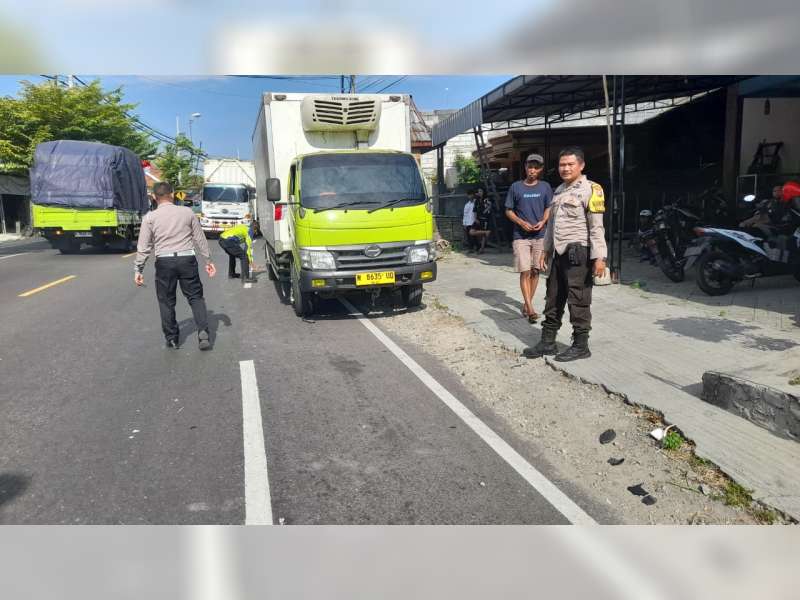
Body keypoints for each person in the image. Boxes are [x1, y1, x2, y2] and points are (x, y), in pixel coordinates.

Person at [524, 146, 607, 362]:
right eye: (562, 164)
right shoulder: (559, 191)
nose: (565, 168)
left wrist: (600, 258)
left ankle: (581, 345)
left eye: (570, 164)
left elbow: (597, 227)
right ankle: (548, 342)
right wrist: (545, 249)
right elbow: (551, 225)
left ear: (581, 165)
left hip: (578, 252)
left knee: (578, 299)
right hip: (558, 254)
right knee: (553, 297)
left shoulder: (591, 189)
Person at [134, 181, 216, 350]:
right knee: (195, 297)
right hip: (187, 259)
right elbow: (200, 238)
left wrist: (138, 269)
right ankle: (204, 333)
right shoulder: (187, 212)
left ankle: (172, 338)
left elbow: (144, 247)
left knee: (166, 301)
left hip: (164, 262)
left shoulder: (149, 218)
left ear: (154, 198)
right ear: (172, 194)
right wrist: (208, 261)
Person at [504, 153, 552, 323]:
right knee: (525, 270)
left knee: (535, 270)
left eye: (536, 167)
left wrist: (543, 221)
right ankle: (530, 308)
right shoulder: (516, 187)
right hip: (521, 236)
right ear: (525, 167)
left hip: (540, 235)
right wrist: (521, 222)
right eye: (530, 167)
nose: (532, 170)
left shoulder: (545, 187)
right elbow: (508, 210)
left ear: (540, 169)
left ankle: (527, 303)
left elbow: (549, 207)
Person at [470, 189, 493, 253]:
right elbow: (474, 210)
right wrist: (475, 218)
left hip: (485, 219)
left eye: (481, 191)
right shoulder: (476, 201)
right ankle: (485, 232)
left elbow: (489, 207)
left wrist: (484, 212)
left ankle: (481, 249)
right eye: (478, 191)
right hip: (478, 219)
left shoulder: (487, 199)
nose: (479, 193)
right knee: (471, 232)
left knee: (483, 236)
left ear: (484, 192)